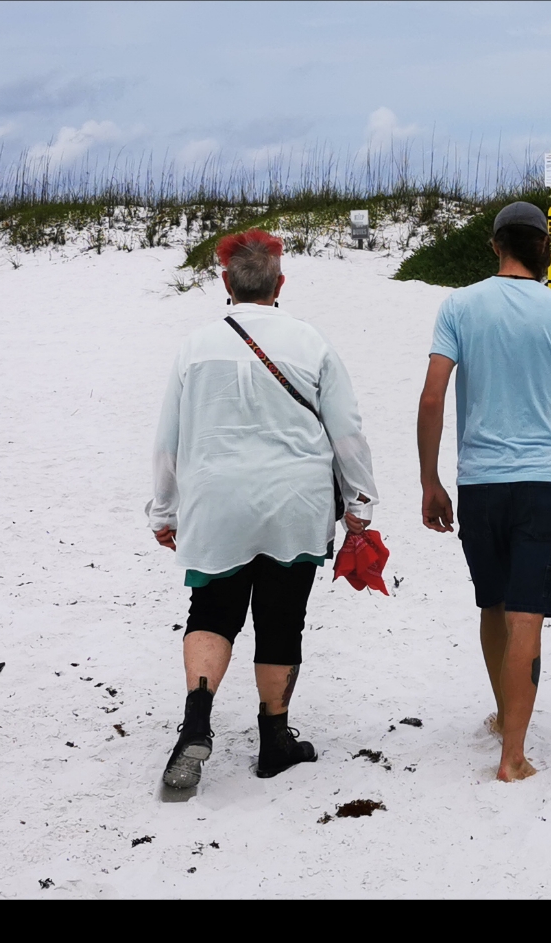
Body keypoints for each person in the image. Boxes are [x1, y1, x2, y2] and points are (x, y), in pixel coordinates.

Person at [145, 230, 376, 799]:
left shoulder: (195, 346)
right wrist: (360, 503)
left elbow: (167, 439)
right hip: (294, 504)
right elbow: (346, 431)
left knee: (212, 610)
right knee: (281, 617)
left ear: (226, 283)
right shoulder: (310, 341)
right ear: (280, 283)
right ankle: (274, 739)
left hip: (215, 501)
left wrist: (163, 511)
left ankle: (196, 725)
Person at [419, 201, 551, 783]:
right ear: (545, 250)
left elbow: (432, 398)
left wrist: (430, 479)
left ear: (495, 245)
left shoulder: (458, 306)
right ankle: (513, 755)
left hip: (480, 484)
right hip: (544, 485)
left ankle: (506, 714)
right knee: (527, 615)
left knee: (493, 602)